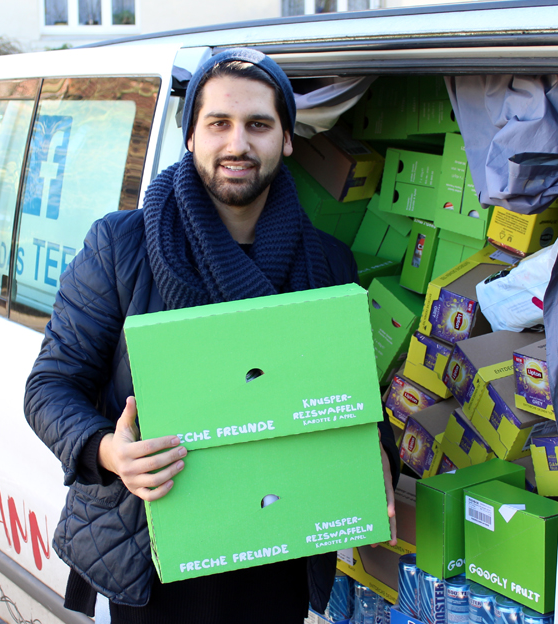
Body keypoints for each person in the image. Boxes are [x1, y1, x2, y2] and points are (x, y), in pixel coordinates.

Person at [24, 48, 399, 624]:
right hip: (156, 554)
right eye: (219, 123)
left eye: (259, 125)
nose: (237, 144)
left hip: (278, 548)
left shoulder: (326, 263)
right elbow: (49, 387)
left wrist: (375, 450)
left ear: (287, 140)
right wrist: (109, 452)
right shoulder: (122, 247)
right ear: (191, 136)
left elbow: (350, 394)